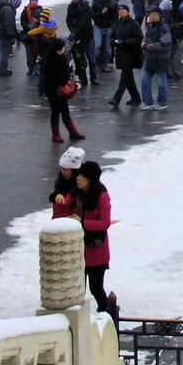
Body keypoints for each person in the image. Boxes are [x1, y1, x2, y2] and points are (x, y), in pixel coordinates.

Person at [68, 162, 122, 322]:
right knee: (78, 287)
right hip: (79, 248)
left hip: (96, 249)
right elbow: (63, 203)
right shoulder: (76, 193)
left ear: (90, 179)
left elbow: (104, 223)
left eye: (81, 177)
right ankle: (78, 320)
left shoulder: (101, 195)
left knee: (95, 288)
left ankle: (107, 317)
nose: (77, 179)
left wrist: (82, 222)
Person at [40, 30, 86, 142]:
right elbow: (61, 77)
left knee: (62, 111)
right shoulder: (59, 60)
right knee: (58, 111)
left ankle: (67, 133)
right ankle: (64, 134)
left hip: (52, 90)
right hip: (56, 90)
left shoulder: (49, 59)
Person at [110, 4, 143, 106]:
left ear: (128, 11)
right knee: (128, 77)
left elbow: (139, 37)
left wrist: (125, 42)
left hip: (131, 53)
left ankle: (116, 98)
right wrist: (115, 41)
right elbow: (111, 37)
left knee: (125, 76)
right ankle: (136, 97)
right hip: (121, 53)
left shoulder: (133, 23)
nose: (121, 12)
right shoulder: (116, 24)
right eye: (119, 10)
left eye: (123, 10)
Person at [140, 6, 172, 110]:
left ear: (157, 15)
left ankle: (162, 103)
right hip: (150, 59)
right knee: (144, 80)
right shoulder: (150, 26)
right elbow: (146, 37)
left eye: (151, 14)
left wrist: (146, 46)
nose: (149, 16)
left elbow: (164, 45)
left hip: (161, 59)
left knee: (161, 82)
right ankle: (148, 102)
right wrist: (143, 43)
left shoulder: (164, 28)